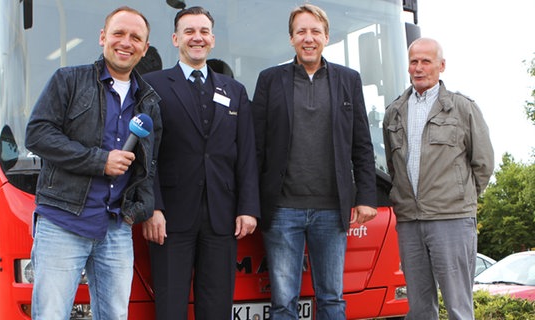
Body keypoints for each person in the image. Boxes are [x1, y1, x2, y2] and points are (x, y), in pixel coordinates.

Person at [25, 6, 162, 320]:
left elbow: (150, 164)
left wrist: (138, 209)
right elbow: (37, 134)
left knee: (115, 315)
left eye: (135, 37)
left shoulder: (149, 101)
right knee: (51, 314)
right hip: (63, 222)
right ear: (103, 38)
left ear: (144, 48)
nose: (126, 42)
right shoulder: (68, 80)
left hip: (115, 228)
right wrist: (100, 161)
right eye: (118, 33)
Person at [251, 4, 378, 319]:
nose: (309, 38)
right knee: (283, 303)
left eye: (315, 32)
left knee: (332, 300)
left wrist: (365, 197)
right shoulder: (269, 80)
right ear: (291, 38)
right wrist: (249, 202)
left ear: (327, 37)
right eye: (301, 32)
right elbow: (256, 146)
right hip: (281, 210)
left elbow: (362, 144)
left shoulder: (348, 80)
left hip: (332, 210)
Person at [142, 6, 260, 319]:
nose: (197, 37)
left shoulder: (233, 90)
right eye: (190, 31)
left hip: (222, 217)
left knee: (218, 307)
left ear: (212, 39)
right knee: (170, 308)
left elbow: (246, 152)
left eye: (204, 31)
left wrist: (248, 208)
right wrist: (152, 207)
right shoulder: (152, 85)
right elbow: (146, 152)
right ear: (175, 38)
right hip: (169, 218)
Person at [382, 37, 494, 319]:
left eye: (426, 61)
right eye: (413, 62)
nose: (418, 68)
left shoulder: (462, 108)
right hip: (409, 222)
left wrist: (460, 198)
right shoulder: (393, 112)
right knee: (419, 309)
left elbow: (483, 162)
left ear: (441, 66)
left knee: (458, 307)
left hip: (452, 219)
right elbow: (394, 168)